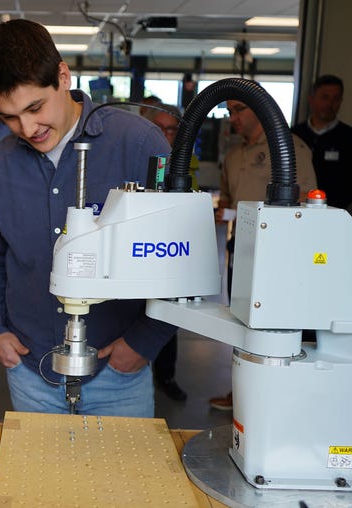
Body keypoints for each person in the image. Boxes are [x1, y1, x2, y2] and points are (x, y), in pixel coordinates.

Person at [0, 19, 176, 417]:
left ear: (62, 76)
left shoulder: (139, 144)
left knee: (121, 480)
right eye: (8, 117)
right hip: (31, 372)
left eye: (34, 107)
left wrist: (147, 340)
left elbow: (178, 258)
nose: (27, 128)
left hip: (119, 372)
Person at [208, 98, 318, 411]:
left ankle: (282, 396)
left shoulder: (290, 149)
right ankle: (240, 394)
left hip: (279, 254)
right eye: (229, 112)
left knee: (277, 326)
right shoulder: (233, 154)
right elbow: (227, 198)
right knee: (242, 320)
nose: (233, 118)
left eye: (239, 110)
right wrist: (223, 212)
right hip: (241, 248)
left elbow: (310, 200)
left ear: (259, 109)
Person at [141, 102, 199, 402]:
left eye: (171, 128)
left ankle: (166, 377)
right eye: (159, 127)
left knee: (166, 319)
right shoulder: (137, 156)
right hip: (141, 251)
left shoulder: (186, 163)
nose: (165, 134)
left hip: (171, 251)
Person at [292, 74, 352, 209]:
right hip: (294, 209)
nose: (329, 104)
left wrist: (333, 204)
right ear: (311, 99)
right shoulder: (294, 135)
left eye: (336, 99)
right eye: (324, 97)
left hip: (333, 211)